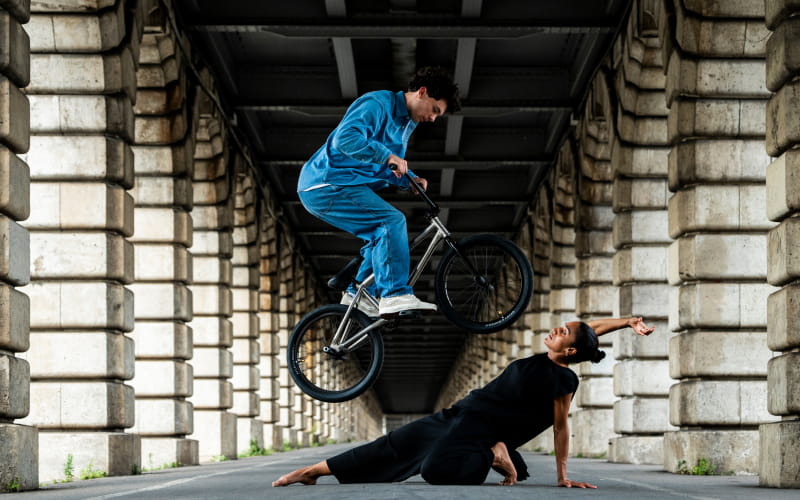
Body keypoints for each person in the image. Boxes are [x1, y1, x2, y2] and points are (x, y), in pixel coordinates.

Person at [272, 316, 656, 488]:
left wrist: (562, 475)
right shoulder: (559, 353)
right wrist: (627, 322)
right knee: (396, 443)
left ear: (569, 350)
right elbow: (588, 332)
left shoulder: (563, 379)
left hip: (483, 431)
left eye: (564, 332)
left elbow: (561, 427)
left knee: (435, 469)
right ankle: (315, 471)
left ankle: (495, 454)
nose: (557, 328)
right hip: (465, 410)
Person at [297, 66, 461, 318]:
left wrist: (409, 180)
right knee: (391, 221)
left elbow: (386, 166)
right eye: (435, 110)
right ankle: (394, 294)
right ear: (422, 92)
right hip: (326, 182)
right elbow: (346, 139)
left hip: (345, 182)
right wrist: (388, 156)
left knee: (382, 236)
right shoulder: (378, 103)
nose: (433, 119)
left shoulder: (405, 125)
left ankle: (357, 295)